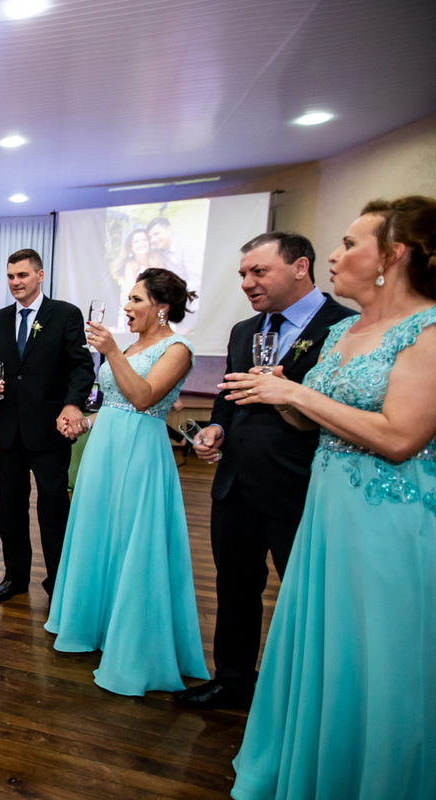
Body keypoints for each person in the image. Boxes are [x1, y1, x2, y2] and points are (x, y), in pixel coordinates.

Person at [220, 197, 436, 799]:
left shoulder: (429, 331)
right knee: (327, 644)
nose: (335, 256)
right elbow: (313, 426)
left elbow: (399, 438)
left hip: (390, 518)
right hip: (328, 509)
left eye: (348, 245)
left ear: (392, 257)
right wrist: (285, 396)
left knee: (381, 657)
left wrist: (302, 398)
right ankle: (317, 762)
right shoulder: (345, 330)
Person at [173, 232, 355, 711]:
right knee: (234, 587)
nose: (247, 283)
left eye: (259, 272)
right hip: (235, 482)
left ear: (300, 267)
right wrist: (216, 430)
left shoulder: (344, 327)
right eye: (242, 275)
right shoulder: (242, 331)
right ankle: (232, 680)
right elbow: (230, 398)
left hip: (302, 483)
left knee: (307, 595)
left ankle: (307, 695)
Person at [45, 268, 208, 695]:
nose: (127, 307)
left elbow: (143, 398)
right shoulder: (134, 345)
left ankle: (133, 644)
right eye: (128, 299)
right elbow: (116, 406)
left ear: (162, 307)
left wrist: (113, 351)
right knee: (100, 535)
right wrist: (85, 420)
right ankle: (93, 627)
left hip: (141, 454)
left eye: (136, 300)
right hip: (104, 451)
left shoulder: (179, 348)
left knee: (134, 540)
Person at [0, 248, 95, 603]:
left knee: (53, 509)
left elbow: (81, 366)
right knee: (9, 510)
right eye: (11, 276)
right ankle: (15, 577)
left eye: (22, 275)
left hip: (50, 430)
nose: (15, 282)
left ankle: (59, 582)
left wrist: (73, 404)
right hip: (8, 430)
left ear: (39, 276)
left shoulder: (64, 314)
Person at [148, 217, 203, 297]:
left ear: (169, 229)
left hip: (192, 301)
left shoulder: (188, 246)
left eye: (156, 234)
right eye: (150, 237)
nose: (152, 240)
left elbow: (196, 282)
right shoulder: (157, 250)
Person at [112, 228, 165, 299]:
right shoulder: (130, 265)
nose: (141, 244)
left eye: (144, 240)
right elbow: (134, 292)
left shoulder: (156, 258)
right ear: (131, 246)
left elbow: (163, 284)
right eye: (137, 241)